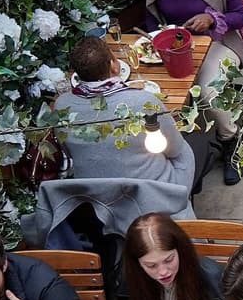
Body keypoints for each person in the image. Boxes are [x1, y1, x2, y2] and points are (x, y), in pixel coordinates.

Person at [138, 0, 243, 185]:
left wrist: (211, 18)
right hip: (173, 46)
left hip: (217, 42)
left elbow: (241, 15)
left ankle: (232, 138)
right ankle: (174, 151)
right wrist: (156, 36)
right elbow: (151, 17)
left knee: (209, 92)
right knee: (150, 94)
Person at [55, 35, 197, 192]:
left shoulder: (61, 106)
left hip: (98, 194)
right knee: (190, 147)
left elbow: (68, 151)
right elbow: (174, 148)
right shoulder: (143, 101)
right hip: (149, 191)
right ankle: (182, 204)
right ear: (113, 66)